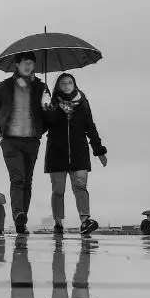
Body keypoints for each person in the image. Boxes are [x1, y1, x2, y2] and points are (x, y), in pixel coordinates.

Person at [0, 52, 51, 234]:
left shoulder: (41, 87)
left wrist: (48, 109)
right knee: (18, 179)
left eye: (31, 63)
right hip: (10, 141)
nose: (28, 66)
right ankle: (18, 214)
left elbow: (47, 116)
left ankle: (21, 220)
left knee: (28, 182)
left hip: (31, 140)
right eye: (25, 62)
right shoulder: (3, 87)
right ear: (17, 64)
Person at [43, 73, 108, 236]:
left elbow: (90, 127)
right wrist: (44, 107)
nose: (66, 85)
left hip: (79, 153)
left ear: (74, 84)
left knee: (81, 188)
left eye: (69, 82)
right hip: (56, 153)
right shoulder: (51, 103)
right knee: (58, 191)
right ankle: (58, 222)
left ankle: (85, 221)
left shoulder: (83, 103)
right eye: (63, 83)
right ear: (58, 86)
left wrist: (99, 150)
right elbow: (43, 126)